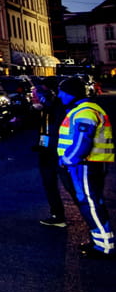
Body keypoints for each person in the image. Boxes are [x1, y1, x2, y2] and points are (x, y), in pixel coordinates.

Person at [56, 76, 114, 258]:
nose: (59, 96)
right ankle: (100, 240)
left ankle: (104, 246)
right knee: (94, 202)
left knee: (90, 203)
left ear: (70, 93)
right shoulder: (86, 109)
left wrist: (67, 159)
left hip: (86, 165)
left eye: (61, 92)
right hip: (91, 164)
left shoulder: (84, 112)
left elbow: (82, 142)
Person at [32, 82, 70, 228]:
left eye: (35, 95)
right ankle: (57, 215)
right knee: (49, 185)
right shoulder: (42, 108)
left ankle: (89, 217)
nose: (33, 98)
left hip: (59, 152)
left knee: (70, 185)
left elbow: (58, 127)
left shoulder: (58, 107)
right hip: (45, 151)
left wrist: (46, 107)